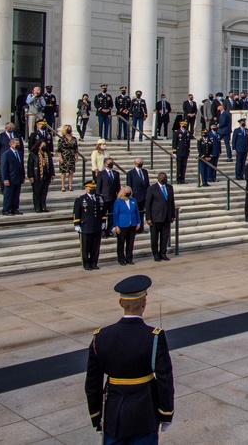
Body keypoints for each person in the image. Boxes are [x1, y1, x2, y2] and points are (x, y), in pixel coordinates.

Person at [85, 275, 174, 440]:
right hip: (145, 414)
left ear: (120, 303)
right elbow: (164, 379)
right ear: (144, 303)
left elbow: (93, 383)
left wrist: (96, 416)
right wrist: (166, 412)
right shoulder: (154, 337)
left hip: (113, 416)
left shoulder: (101, 337)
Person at [74, 180, 105, 270]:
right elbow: (76, 212)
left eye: (94, 188)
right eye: (91, 188)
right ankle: (86, 263)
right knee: (85, 246)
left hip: (96, 225)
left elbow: (102, 211)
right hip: (86, 226)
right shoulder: (81, 199)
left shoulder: (99, 198)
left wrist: (103, 222)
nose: (93, 189)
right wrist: (77, 224)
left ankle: (94, 262)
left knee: (95, 246)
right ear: (86, 188)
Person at [143, 173, 175, 261]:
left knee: (164, 237)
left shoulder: (169, 187)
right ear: (159, 178)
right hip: (155, 217)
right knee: (154, 237)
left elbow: (172, 202)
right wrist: (148, 218)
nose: (166, 179)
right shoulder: (152, 188)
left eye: (166, 178)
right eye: (164, 178)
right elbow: (148, 204)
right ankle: (155, 254)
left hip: (166, 217)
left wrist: (172, 215)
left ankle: (163, 253)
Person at [112, 186, 141, 265]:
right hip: (122, 224)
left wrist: (138, 222)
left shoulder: (133, 200)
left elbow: (137, 212)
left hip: (132, 224)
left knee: (130, 242)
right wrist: (116, 225)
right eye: (126, 192)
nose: (128, 193)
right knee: (121, 243)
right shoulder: (118, 201)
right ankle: (121, 259)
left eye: (129, 192)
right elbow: (115, 214)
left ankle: (129, 258)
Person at [27, 137, 55, 213]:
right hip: (37, 176)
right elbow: (30, 166)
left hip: (46, 175)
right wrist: (30, 176)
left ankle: (43, 206)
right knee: (37, 192)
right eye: (43, 144)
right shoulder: (33, 154)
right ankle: (37, 207)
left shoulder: (47, 154)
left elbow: (51, 164)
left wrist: (52, 173)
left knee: (44, 192)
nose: (44, 146)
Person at [0, 137, 25, 215]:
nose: (18, 145)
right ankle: (6, 210)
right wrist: (5, 179)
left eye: (19, 143)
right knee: (8, 195)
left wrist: (23, 176)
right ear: (11, 144)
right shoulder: (6, 154)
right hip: (10, 178)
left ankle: (15, 209)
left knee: (16, 195)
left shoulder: (19, 153)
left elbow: (21, 165)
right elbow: (3, 168)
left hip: (18, 177)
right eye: (16, 143)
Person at [126, 158, 150, 226]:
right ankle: (135, 226)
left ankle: (141, 227)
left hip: (144, 195)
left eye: (141, 162)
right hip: (135, 196)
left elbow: (147, 184)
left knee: (142, 212)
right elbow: (129, 186)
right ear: (135, 163)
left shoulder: (145, 172)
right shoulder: (130, 173)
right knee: (135, 212)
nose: (140, 163)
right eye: (139, 162)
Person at [57, 124, 78, 192]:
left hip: (71, 156)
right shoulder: (62, 139)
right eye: (68, 129)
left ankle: (70, 185)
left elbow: (76, 148)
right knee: (63, 172)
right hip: (64, 156)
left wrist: (76, 156)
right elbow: (59, 149)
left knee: (71, 171)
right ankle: (63, 186)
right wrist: (60, 157)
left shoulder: (74, 139)